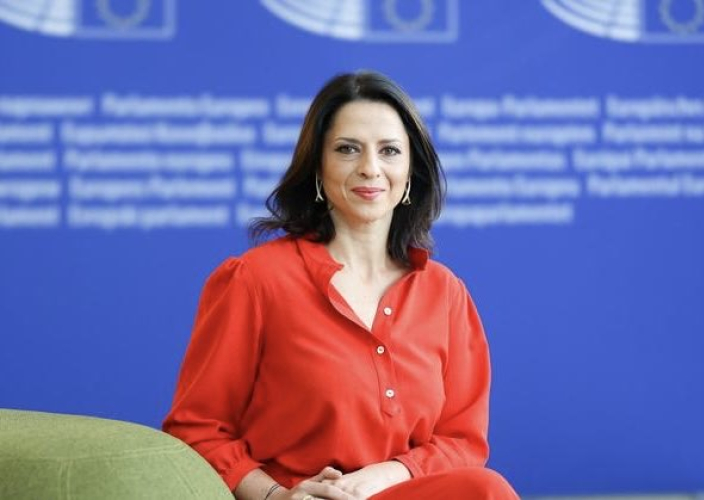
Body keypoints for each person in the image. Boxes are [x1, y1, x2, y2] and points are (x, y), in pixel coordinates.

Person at [163, 71, 518, 500]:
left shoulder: (445, 293)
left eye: (389, 150)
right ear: (318, 166)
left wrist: (386, 474)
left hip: (401, 492)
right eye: (348, 149)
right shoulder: (255, 280)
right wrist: (277, 496)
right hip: (295, 496)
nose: (370, 167)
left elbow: (462, 442)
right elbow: (198, 430)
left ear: (410, 171)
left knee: (484, 490)